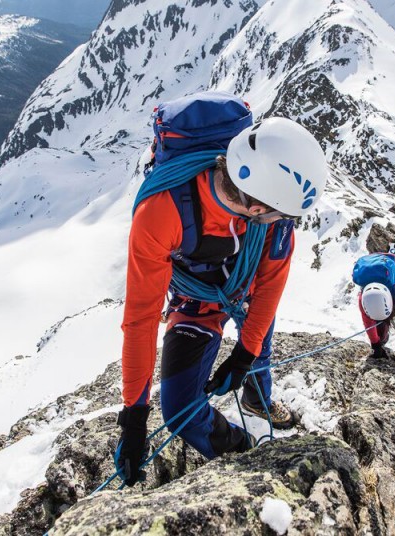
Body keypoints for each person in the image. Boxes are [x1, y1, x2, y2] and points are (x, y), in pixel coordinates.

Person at [116, 112, 328, 486]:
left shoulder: (272, 220)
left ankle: (256, 397)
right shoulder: (162, 213)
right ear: (258, 208)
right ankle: (243, 452)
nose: (287, 222)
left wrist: (244, 353)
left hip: (242, 295)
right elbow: (141, 319)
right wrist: (133, 417)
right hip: (195, 305)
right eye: (283, 215)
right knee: (180, 412)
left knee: (258, 348)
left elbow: (269, 289)